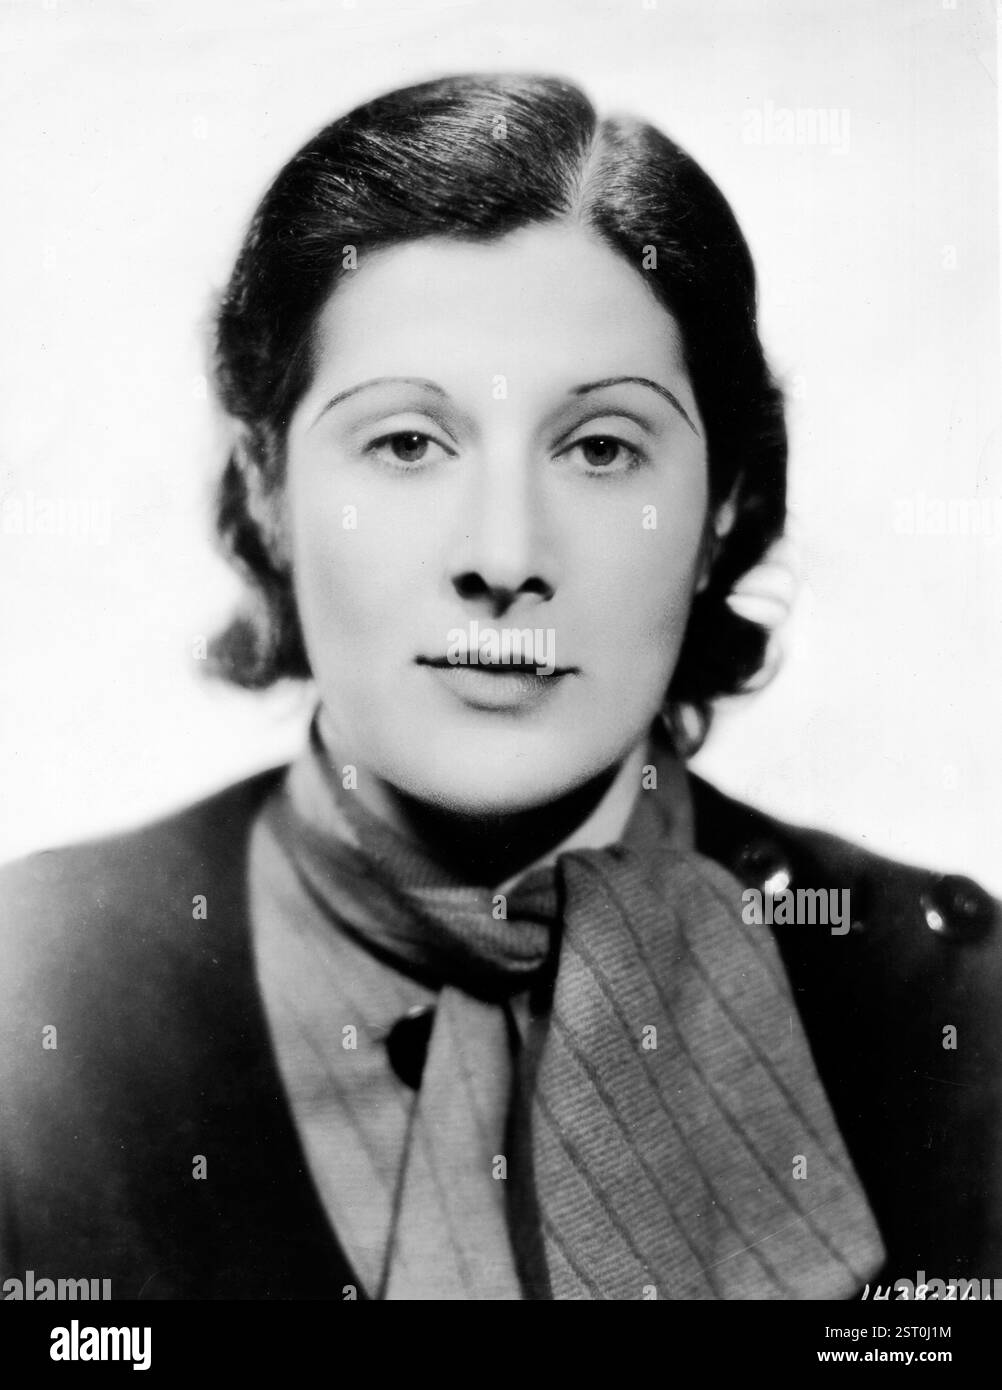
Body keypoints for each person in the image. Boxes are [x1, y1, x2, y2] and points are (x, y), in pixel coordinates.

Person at [1, 73, 999, 1303]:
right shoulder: (34, 991)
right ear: (267, 486)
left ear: (721, 508)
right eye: (406, 443)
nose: (506, 553)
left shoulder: (954, 1006)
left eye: (602, 448)